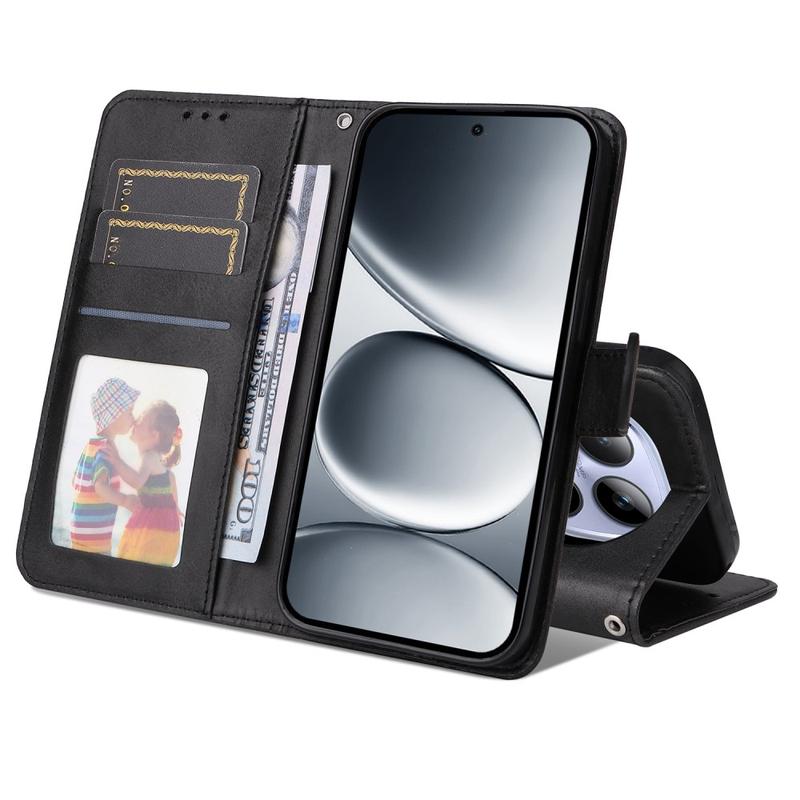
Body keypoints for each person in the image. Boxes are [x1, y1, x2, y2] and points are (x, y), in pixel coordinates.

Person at [70, 378, 141, 554]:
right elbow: (100, 486)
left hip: (81, 532)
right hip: (94, 538)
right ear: (114, 415)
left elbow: (77, 482)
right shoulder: (105, 450)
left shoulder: (91, 446)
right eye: (129, 412)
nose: (133, 418)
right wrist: (125, 500)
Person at [113, 401, 184, 566]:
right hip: (166, 529)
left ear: (154, 435)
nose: (135, 422)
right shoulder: (157, 459)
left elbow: (137, 481)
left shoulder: (150, 457)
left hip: (154, 528)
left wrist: (116, 461)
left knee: (134, 562)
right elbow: (170, 478)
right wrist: (175, 507)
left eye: (141, 420)